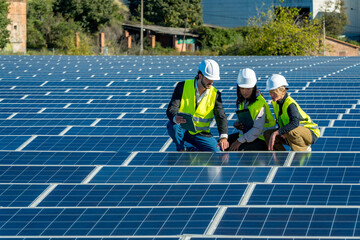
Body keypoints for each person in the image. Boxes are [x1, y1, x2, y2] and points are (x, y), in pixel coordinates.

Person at [166, 59, 229, 151]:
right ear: (200, 76)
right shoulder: (182, 86)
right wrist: (175, 117)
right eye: (208, 78)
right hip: (183, 129)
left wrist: (223, 137)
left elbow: (221, 117)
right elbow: (172, 108)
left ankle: (191, 151)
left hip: (201, 134)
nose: (211, 82)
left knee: (216, 153)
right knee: (173, 126)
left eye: (213, 79)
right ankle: (182, 148)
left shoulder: (215, 94)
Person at [264, 74, 320, 151]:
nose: (271, 95)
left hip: (309, 133)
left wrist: (278, 132)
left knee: (291, 132)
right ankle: (283, 160)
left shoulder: (290, 104)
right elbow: (281, 120)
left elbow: (295, 123)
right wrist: (280, 131)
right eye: (270, 92)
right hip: (291, 131)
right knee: (268, 134)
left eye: (273, 92)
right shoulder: (275, 102)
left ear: (283, 91)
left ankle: (303, 150)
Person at [227, 68, 275, 151]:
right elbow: (246, 117)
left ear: (254, 87)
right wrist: (237, 123)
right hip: (248, 135)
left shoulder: (259, 103)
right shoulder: (244, 100)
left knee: (239, 149)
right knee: (224, 143)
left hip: (262, 139)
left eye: (248, 89)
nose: (245, 92)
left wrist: (239, 141)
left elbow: (257, 129)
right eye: (242, 89)